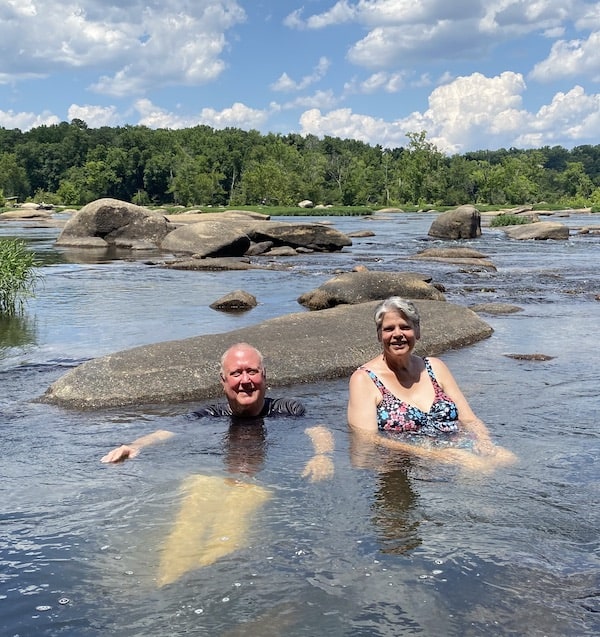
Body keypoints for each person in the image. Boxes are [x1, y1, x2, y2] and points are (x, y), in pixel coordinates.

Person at [101, 342, 334, 481]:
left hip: (271, 476)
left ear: (264, 376)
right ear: (223, 381)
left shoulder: (287, 409)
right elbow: (170, 431)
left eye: (252, 371)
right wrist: (136, 446)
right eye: (236, 374)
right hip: (224, 478)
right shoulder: (212, 415)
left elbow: (317, 429)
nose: (245, 381)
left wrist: (322, 456)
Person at [347, 297, 516, 471]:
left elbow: (469, 419)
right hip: (406, 456)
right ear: (379, 335)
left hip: (454, 445)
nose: (398, 334)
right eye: (389, 329)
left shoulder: (435, 367)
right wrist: (434, 455)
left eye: (405, 327)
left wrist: (484, 441)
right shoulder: (365, 379)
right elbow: (366, 437)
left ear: (417, 332)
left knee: (507, 459)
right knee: (477, 469)